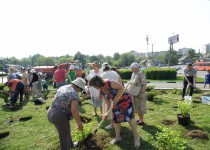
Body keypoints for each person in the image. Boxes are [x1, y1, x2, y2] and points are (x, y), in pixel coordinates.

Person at [89, 75, 140, 148]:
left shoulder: (110, 82)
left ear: (97, 83)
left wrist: (116, 99)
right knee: (116, 120)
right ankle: (118, 137)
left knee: (129, 118)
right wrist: (106, 113)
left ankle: (136, 137)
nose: (94, 88)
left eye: (94, 86)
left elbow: (121, 88)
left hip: (125, 100)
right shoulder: (101, 91)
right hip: (115, 104)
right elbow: (107, 103)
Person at [47, 78, 85, 150]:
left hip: (50, 111)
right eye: (81, 89)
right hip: (59, 115)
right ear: (79, 87)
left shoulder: (63, 87)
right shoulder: (74, 94)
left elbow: (56, 98)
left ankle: (71, 144)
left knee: (65, 130)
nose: (80, 91)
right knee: (64, 136)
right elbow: (74, 110)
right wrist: (79, 123)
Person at [101, 62, 123, 130]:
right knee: (116, 108)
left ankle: (112, 124)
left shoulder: (103, 74)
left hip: (108, 94)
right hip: (116, 93)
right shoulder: (115, 72)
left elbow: (101, 85)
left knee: (109, 108)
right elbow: (120, 81)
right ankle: (117, 122)